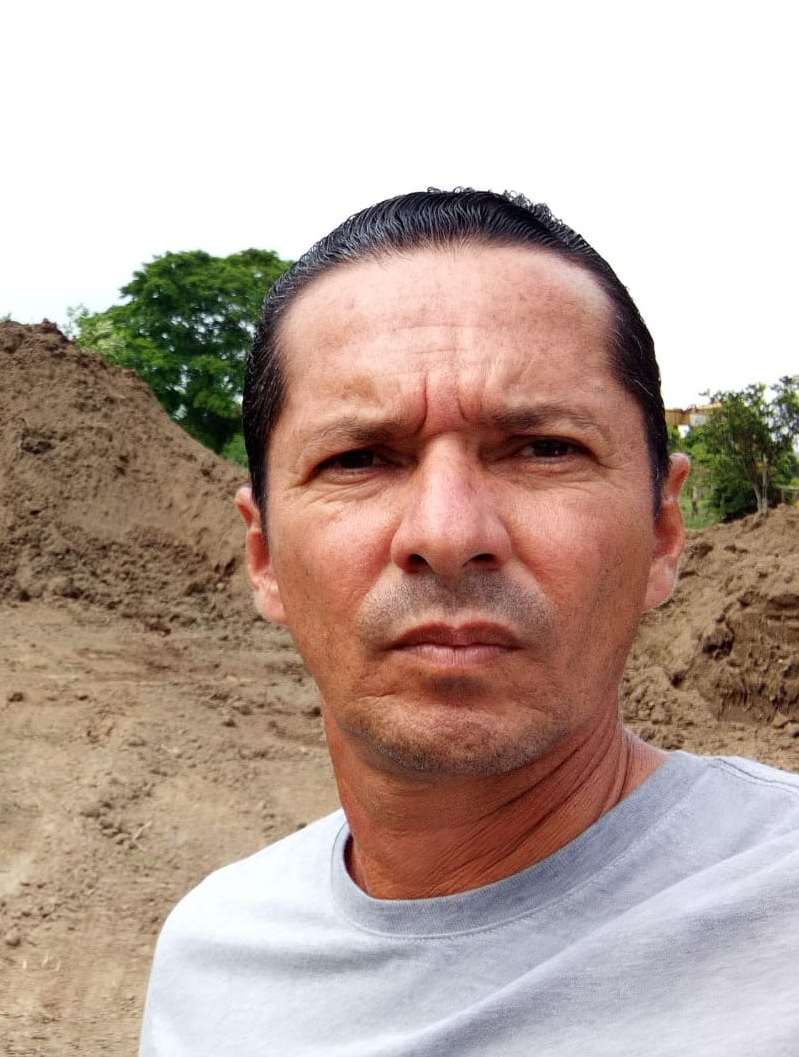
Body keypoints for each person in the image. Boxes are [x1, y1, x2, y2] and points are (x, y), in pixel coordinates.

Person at [140, 189, 799, 1055]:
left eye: (545, 448)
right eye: (359, 458)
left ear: (664, 532)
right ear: (263, 555)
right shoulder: (212, 969)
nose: (448, 534)